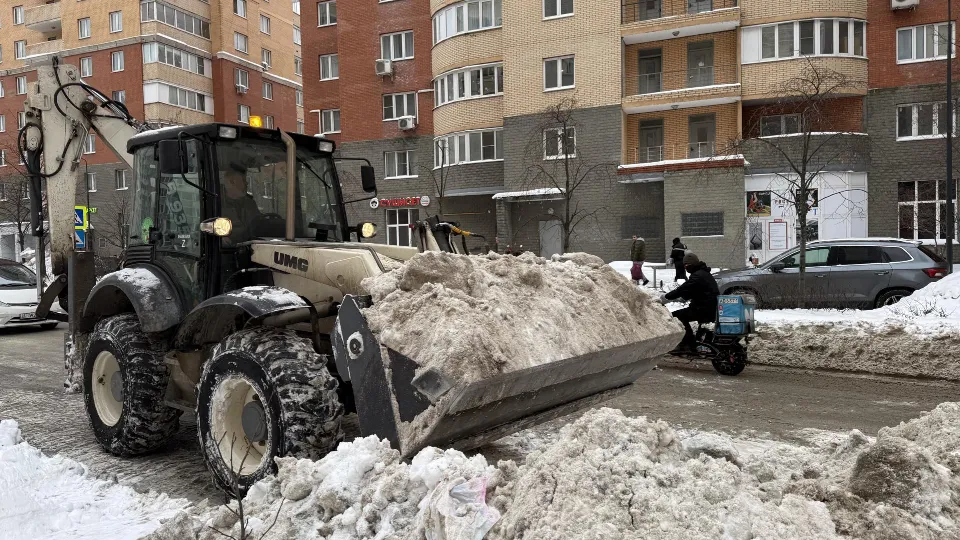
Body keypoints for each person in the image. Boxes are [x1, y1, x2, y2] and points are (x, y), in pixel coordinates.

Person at [659, 252, 719, 351]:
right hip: (709, 307)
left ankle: (687, 342)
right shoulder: (703, 273)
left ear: (692, 265)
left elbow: (683, 289)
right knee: (685, 314)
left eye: (687, 265)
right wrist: (683, 298)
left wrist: (666, 297)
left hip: (703, 309)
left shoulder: (697, 276)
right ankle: (696, 342)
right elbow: (695, 290)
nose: (685, 268)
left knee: (676, 316)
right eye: (684, 265)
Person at [221, 164, 262, 245]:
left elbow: (259, 223)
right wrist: (219, 238)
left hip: (252, 246)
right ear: (232, 181)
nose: (246, 183)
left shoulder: (250, 203)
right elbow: (203, 228)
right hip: (228, 251)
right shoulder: (215, 204)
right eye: (243, 180)